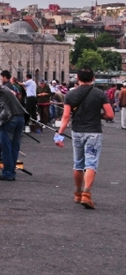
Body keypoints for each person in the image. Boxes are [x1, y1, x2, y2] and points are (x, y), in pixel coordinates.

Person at [57, 68, 115, 209]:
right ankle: (86, 194)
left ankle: (77, 193)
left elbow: (65, 117)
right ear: (93, 78)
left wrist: (59, 135)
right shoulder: (100, 94)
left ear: (78, 78)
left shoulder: (70, 94)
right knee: (91, 163)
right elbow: (110, 115)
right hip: (94, 131)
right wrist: (98, 115)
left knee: (78, 163)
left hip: (77, 131)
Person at [0, 78, 26, 181]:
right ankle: (11, 172)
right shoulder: (6, 89)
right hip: (21, 117)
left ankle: (7, 173)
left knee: (6, 147)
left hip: (8, 119)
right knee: (15, 147)